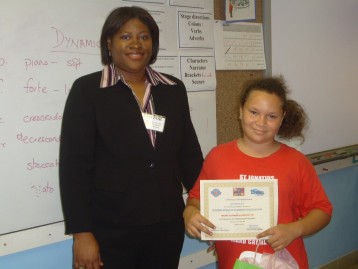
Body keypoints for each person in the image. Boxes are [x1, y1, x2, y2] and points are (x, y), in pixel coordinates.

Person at [59, 6, 203, 269]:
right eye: (125, 36)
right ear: (109, 42)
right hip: (110, 229)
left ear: (153, 43)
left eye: (144, 36)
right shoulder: (88, 91)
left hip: (166, 225)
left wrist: (211, 206)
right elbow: (74, 167)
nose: (136, 43)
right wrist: (81, 233)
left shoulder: (173, 89)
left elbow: (189, 155)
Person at [183, 76, 333, 269]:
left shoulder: (297, 162)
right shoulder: (217, 157)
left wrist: (294, 229)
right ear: (240, 111)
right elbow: (196, 198)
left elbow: (323, 210)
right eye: (254, 112)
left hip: (284, 262)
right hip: (233, 263)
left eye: (271, 116)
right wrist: (190, 212)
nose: (261, 122)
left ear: (282, 118)